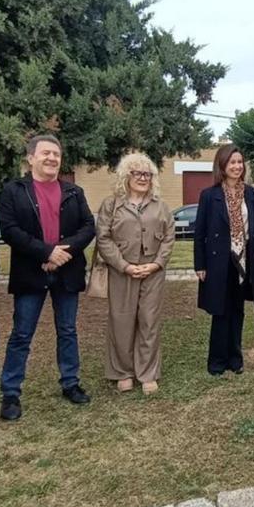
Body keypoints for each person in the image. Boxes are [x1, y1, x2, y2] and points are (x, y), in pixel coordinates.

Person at [0, 134, 96, 420]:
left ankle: (70, 383)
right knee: (22, 334)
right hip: (31, 273)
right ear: (31, 158)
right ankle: (11, 392)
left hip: (67, 272)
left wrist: (63, 252)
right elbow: (10, 230)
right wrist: (46, 253)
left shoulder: (74, 192)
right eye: (46, 153)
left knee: (68, 330)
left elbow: (88, 226)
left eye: (57, 154)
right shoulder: (14, 191)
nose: (52, 158)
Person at [95, 152, 175, 394]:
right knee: (122, 321)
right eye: (137, 173)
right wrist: (124, 265)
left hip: (153, 271)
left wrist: (156, 264)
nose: (142, 178)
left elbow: (169, 238)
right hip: (122, 271)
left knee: (149, 322)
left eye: (147, 174)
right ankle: (122, 372)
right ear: (126, 176)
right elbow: (103, 238)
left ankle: (148, 372)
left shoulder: (161, 206)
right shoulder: (111, 205)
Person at [194, 144, 254, 377]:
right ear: (222, 166)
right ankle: (217, 361)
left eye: (240, 162)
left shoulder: (251, 194)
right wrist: (200, 264)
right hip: (219, 261)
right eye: (232, 162)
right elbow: (200, 233)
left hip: (244, 260)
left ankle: (235, 359)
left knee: (238, 310)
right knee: (220, 311)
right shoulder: (210, 195)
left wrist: (253, 254)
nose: (237, 166)